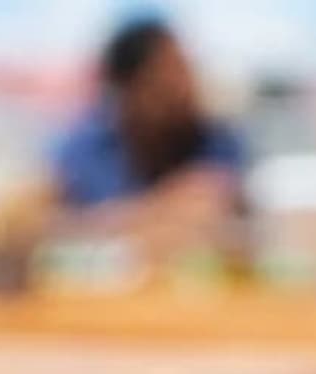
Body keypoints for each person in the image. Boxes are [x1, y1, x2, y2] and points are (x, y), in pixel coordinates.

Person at [45, 17, 245, 244]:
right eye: (168, 75)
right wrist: (165, 206)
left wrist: (108, 221)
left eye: (186, 70)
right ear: (128, 89)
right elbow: (50, 225)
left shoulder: (215, 140)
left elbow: (217, 211)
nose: (185, 87)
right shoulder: (87, 146)